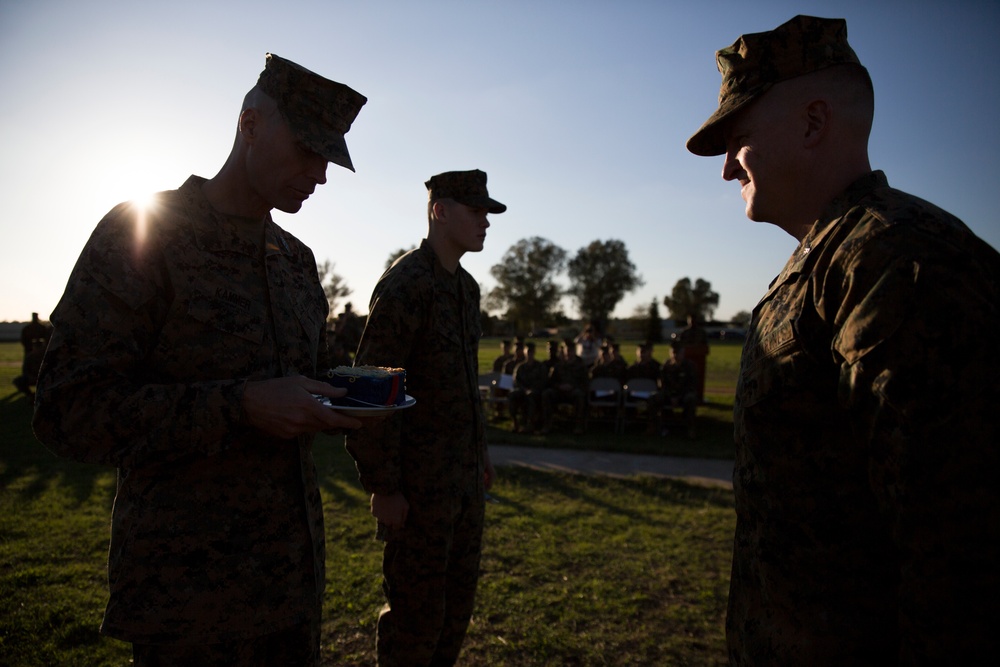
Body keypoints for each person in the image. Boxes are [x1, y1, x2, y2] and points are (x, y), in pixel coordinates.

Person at [32, 53, 367, 665]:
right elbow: (68, 408)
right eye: (307, 149)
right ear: (250, 123)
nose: (319, 175)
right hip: (187, 605)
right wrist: (239, 407)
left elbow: (308, 379)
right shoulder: (146, 231)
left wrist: (356, 395)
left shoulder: (296, 260)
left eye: (330, 159)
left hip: (291, 593)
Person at [687, 15, 1000, 664]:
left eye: (737, 136)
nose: (725, 169)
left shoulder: (899, 259)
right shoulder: (834, 257)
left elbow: (957, 556)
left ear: (812, 122)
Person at [345, 169, 505, 666]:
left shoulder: (467, 289)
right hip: (416, 490)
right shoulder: (407, 282)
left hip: (460, 485)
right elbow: (370, 391)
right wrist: (384, 485)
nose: (485, 221)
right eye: (475, 210)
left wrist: (479, 455)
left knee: (454, 615)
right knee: (415, 622)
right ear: (440, 210)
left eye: (487, 212)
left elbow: (459, 385)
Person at [646, 342, 697, 438]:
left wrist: (678, 396)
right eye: (673, 352)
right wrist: (671, 395)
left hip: (684, 394)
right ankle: (653, 426)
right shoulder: (666, 366)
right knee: (654, 398)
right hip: (668, 394)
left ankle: (690, 429)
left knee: (691, 398)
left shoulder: (689, 366)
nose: (675, 355)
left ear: (683, 353)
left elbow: (691, 385)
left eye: (678, 353)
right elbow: (662, 384)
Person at [540, 338, 588, 434]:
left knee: (579, 395)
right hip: (559, 392)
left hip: (573, 392)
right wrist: (558, 386)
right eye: (567, 351)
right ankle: (547, 425)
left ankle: (578, 426)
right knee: (547, 394)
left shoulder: (580, 366)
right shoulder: (558, 366)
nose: (569, 353)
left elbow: (585, 382)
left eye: (571, 351)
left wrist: (572, 386)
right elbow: (550, 381)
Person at [507, 341, 548, 433]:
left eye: (531, 352)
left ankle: (530, 424)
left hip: (535, 391)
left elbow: (543, 381)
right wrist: (524, 389)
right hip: (522, 390)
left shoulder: (540, 366)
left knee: (531, 397)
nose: (529, 354)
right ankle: (515, 422)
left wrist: (533, 389)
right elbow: (516, 381)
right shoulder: (520, 367)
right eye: (528, 352)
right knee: (512, 395)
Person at [678, 314, 709, 403]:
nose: (692, 322)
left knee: (698, 378)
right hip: (687, 357)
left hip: (699, 359)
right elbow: (680, 344)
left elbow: (705, 345)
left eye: (693, 320)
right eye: (690, 320)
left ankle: (699, 397)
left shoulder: (701, 332)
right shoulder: (684, 332)